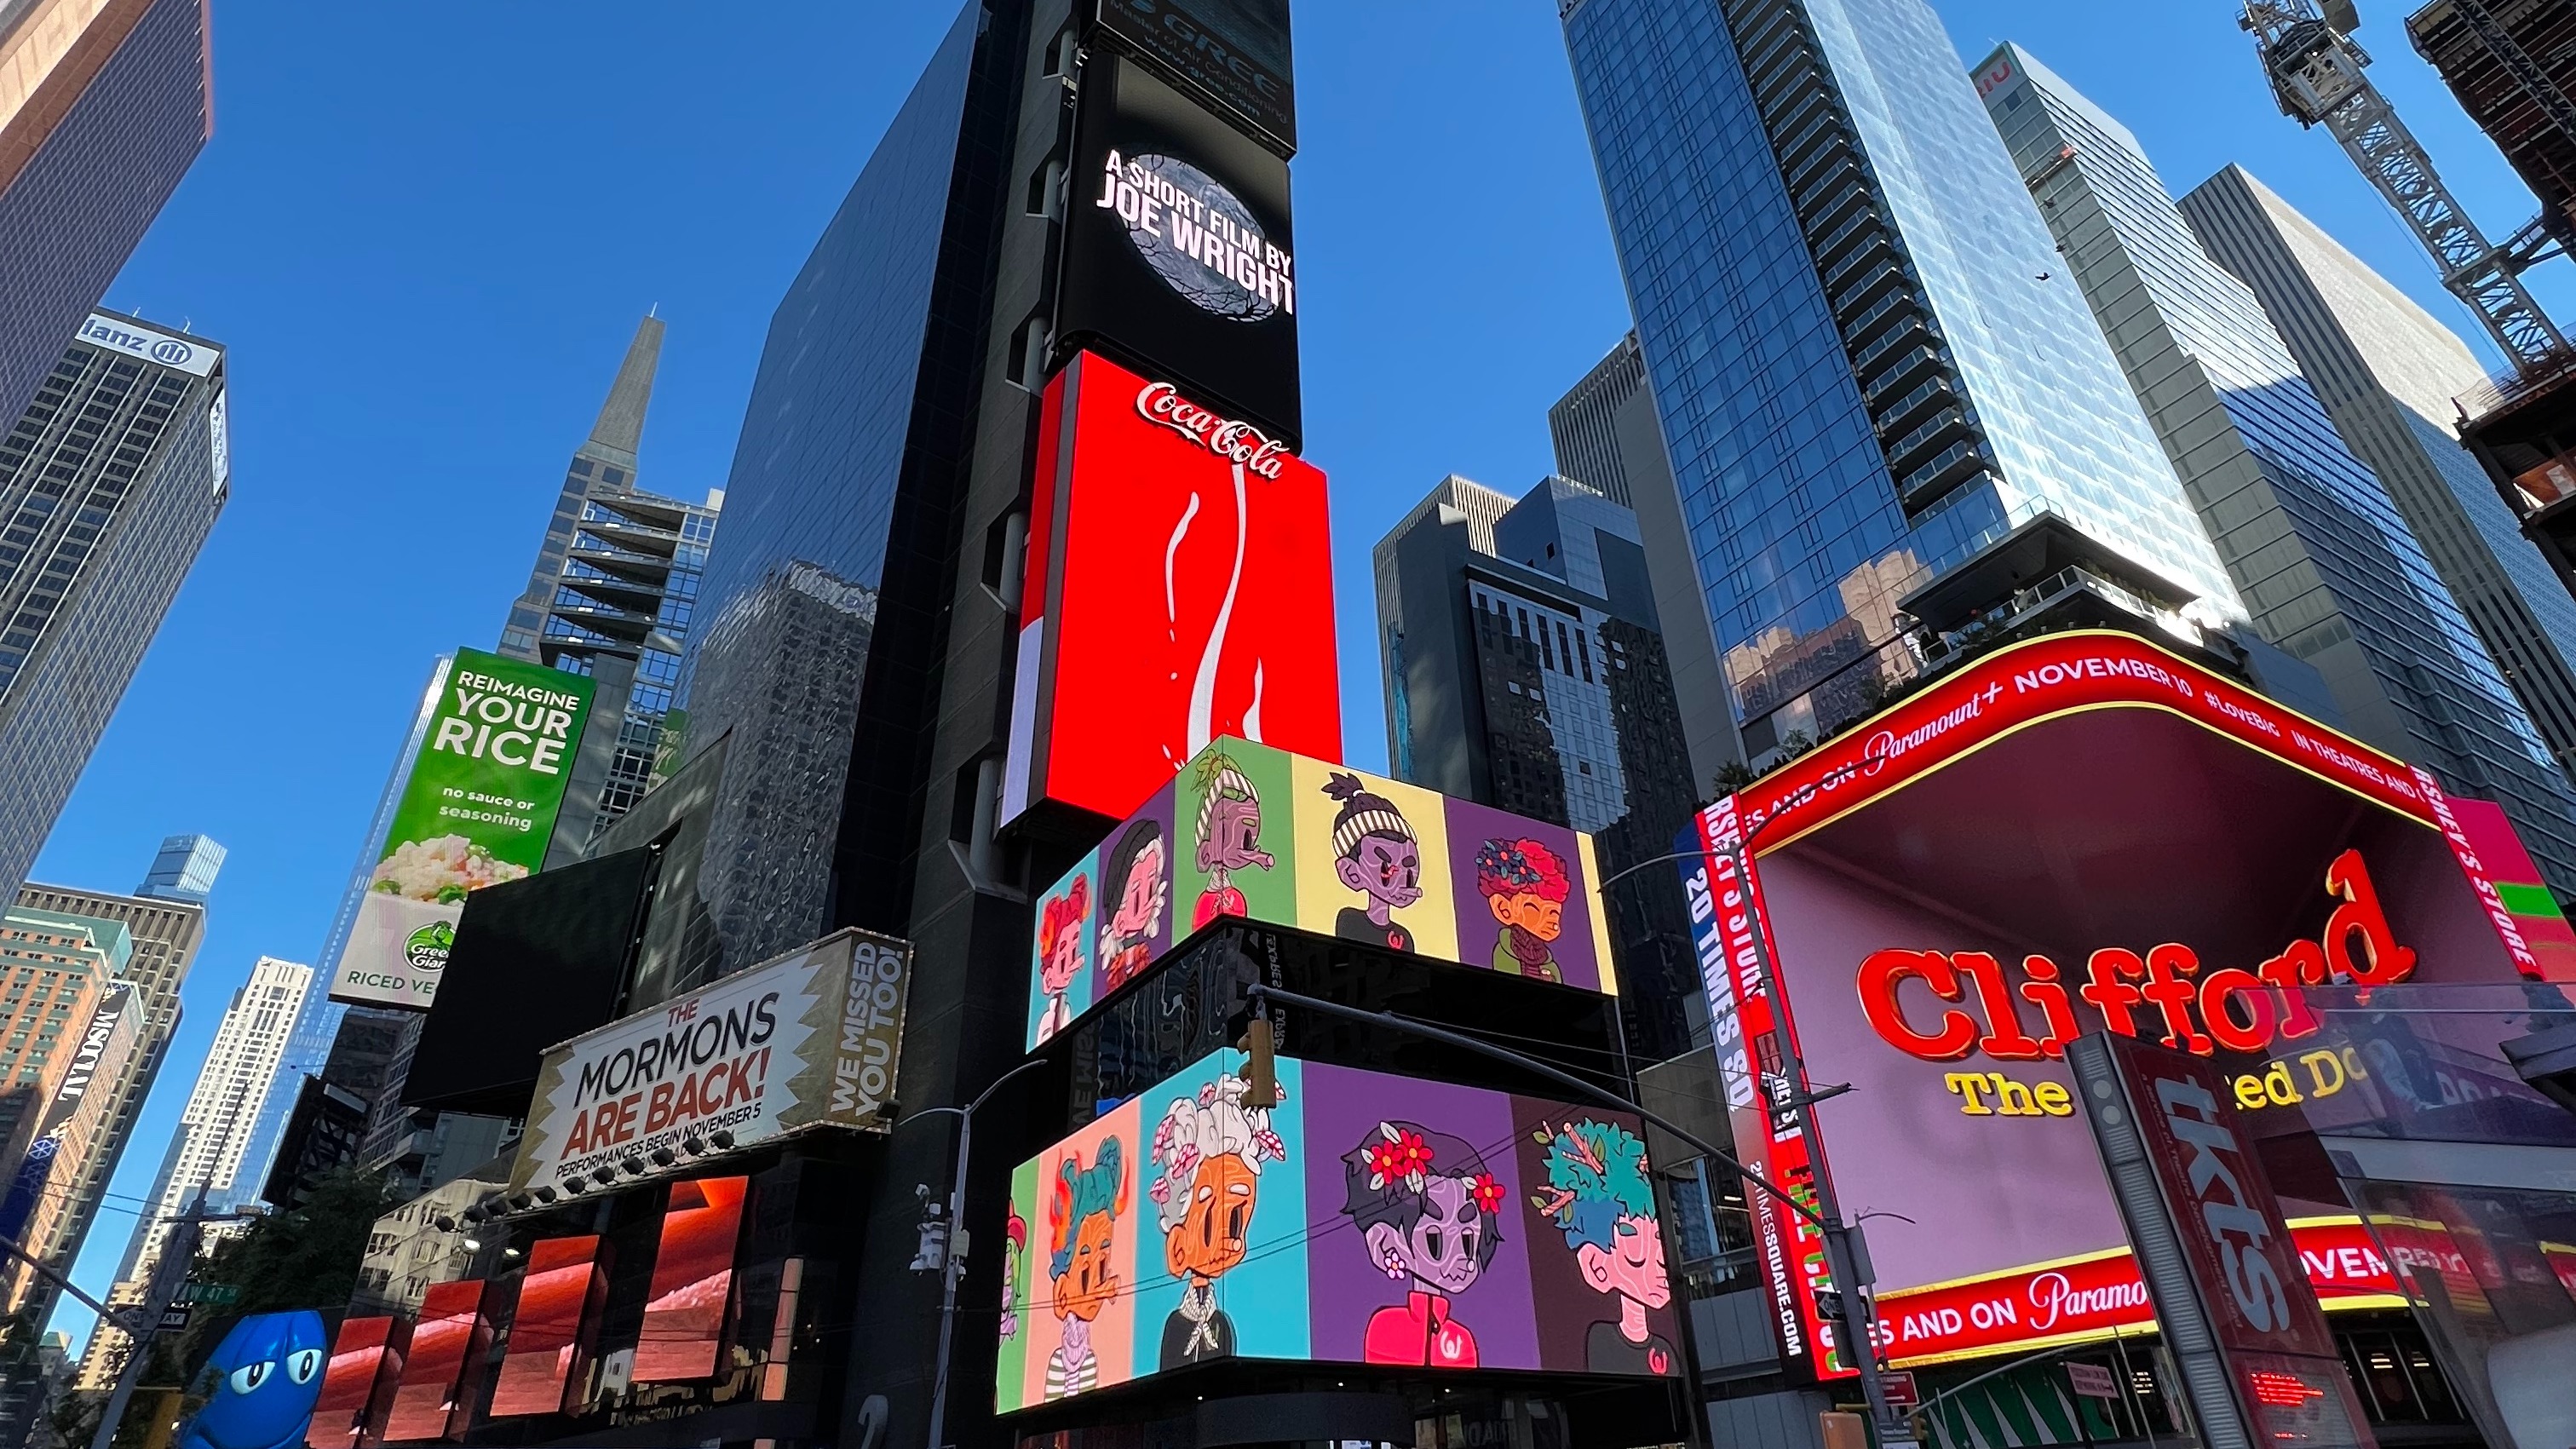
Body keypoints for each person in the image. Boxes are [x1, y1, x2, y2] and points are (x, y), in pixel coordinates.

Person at [1339, 1120, 1504, 1366]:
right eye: (1434, 1240)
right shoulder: (1385, 1327)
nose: (1461, 1258)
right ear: (1384, 1243)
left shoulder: (1462, 1339)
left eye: (1468, 1239)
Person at [1147, 1075, 1285, 1367]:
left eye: (1236, 1221)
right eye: (1209, 1220)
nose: (1230, 1241)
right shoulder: (1175, 1324)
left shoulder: (1224, 1320)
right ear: (1177, 1246)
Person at [1533, 1119, 1677, 1376]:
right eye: (1634, 1248)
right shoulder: (1599, 1340)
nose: (1659, 1264)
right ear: (1595, 1265)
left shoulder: (1667, 1349)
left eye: (1658, 1239)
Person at [1044, 1140, 1125, 1399]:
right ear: (1062, 1292)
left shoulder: (1097, 1358)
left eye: (1103, 1264)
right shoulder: (1057, 1361)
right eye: (1085, 1270)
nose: (1099, 1281)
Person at [1322, 773, 1423, 952]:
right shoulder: (1349, 920)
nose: (1401, 878)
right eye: (1386, 869)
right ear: (1351, 873)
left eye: (1409, 870)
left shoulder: (1405, 937)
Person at [1192, 752, 1274, 927]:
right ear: (1205, 853)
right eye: (1223, 833)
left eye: (1247, 840)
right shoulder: (1205, 903)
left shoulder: (1237, 899)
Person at [1477, 837, 1571, 982]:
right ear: (1503, 908)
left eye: (1554, 913)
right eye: (1534, 909)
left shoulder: (1548, 961)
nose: (1553, 924)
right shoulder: (1504, 952)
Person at [1100, 819, 1169, 991]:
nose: (1146, 904)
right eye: (1137, 897)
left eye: (1151, 889)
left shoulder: (1147, 957)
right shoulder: (1114, 972)